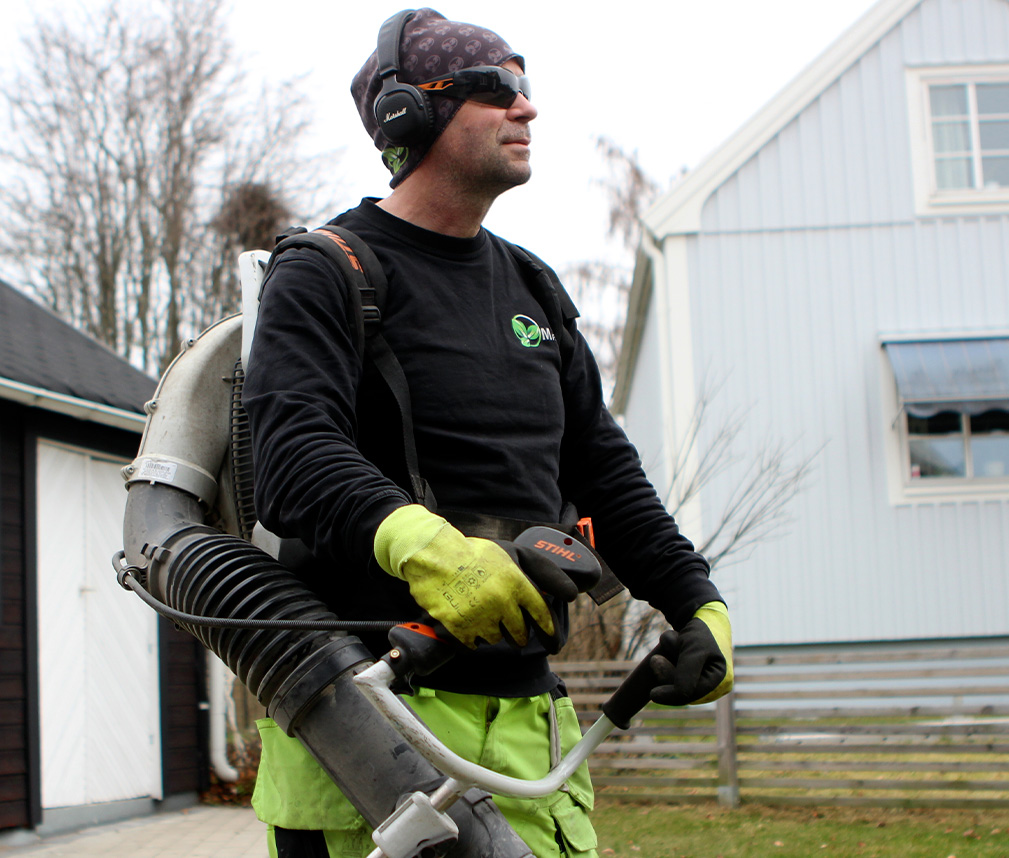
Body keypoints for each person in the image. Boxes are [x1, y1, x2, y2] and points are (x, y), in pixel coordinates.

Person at [242, 9, 734, 858]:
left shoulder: (533, 287)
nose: (527, 107)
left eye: (526, 87)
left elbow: (604, 472)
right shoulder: (327, 271)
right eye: (498, 88)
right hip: (365, 723)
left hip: (530, 729)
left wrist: (696, 599)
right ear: (408, 112)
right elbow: (291, 454)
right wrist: (428, 549)